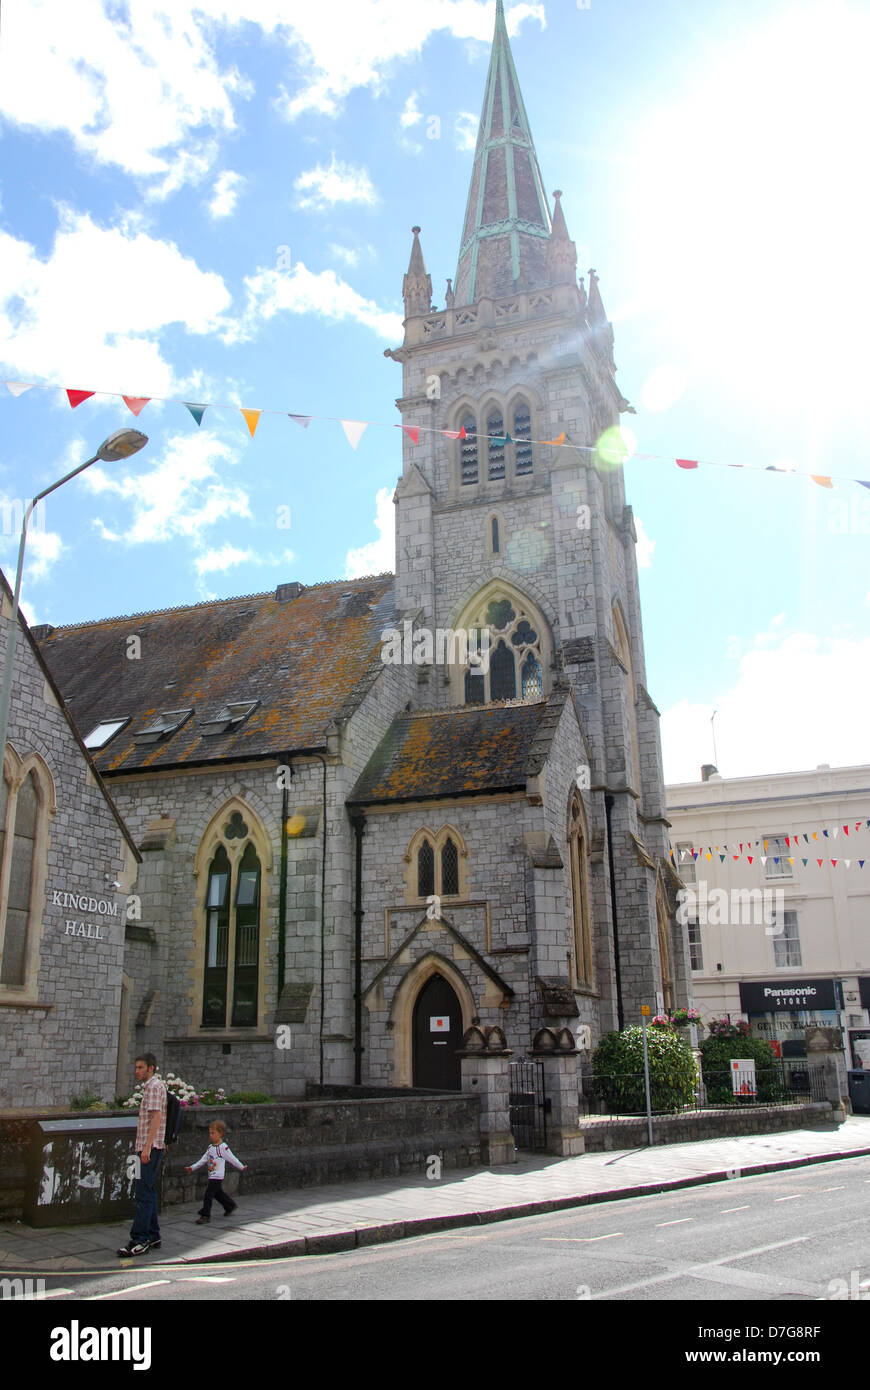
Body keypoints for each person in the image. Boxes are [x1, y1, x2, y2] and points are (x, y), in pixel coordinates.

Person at [117, 1053, 167, 1258]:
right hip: (151, 1147)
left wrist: (147, 1148)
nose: (136, 1071)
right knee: (148, 1191)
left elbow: (156, 1118)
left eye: (140, 1068)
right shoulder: (154, 1086)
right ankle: (153, 1235)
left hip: (149, 1149)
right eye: (136, 1067)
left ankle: (140, 1240)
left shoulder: (154, 1087)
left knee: (143, 1195)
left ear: (151, 1068)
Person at [186, 1120, 247, 1224]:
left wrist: (241, 1166)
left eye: (213, 1133)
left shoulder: (223, 1147)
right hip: (212, 1174)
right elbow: (203, 1160)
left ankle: (205, 1215)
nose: (211, 1135)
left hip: (217, 1175)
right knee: (218, 1193)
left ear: (220, 1133)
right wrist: (192, 1167)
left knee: (208, 1194)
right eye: (210, 1133)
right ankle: (230, 1205)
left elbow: (232, 1158)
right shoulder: (210, 1148)